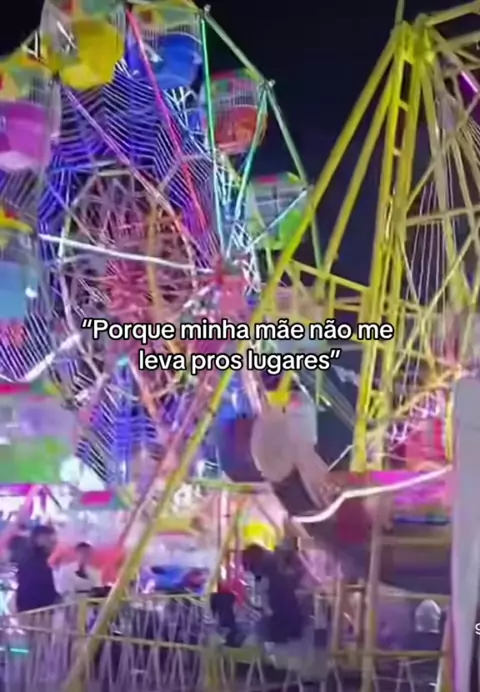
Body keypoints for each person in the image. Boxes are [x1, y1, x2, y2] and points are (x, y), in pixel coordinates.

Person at [242, 543, 305, 644]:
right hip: (290, 622)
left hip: (280, 624)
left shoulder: (268, 574)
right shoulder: (274, 569)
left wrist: (264, 610)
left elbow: (267, 603)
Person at [16, 524, 59, 613]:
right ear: (38, 539)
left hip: (32, 607)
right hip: (35, 607)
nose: (52, 542)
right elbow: (39, 584)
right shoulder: (35, 560)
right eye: (48, 539)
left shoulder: (34, 557)